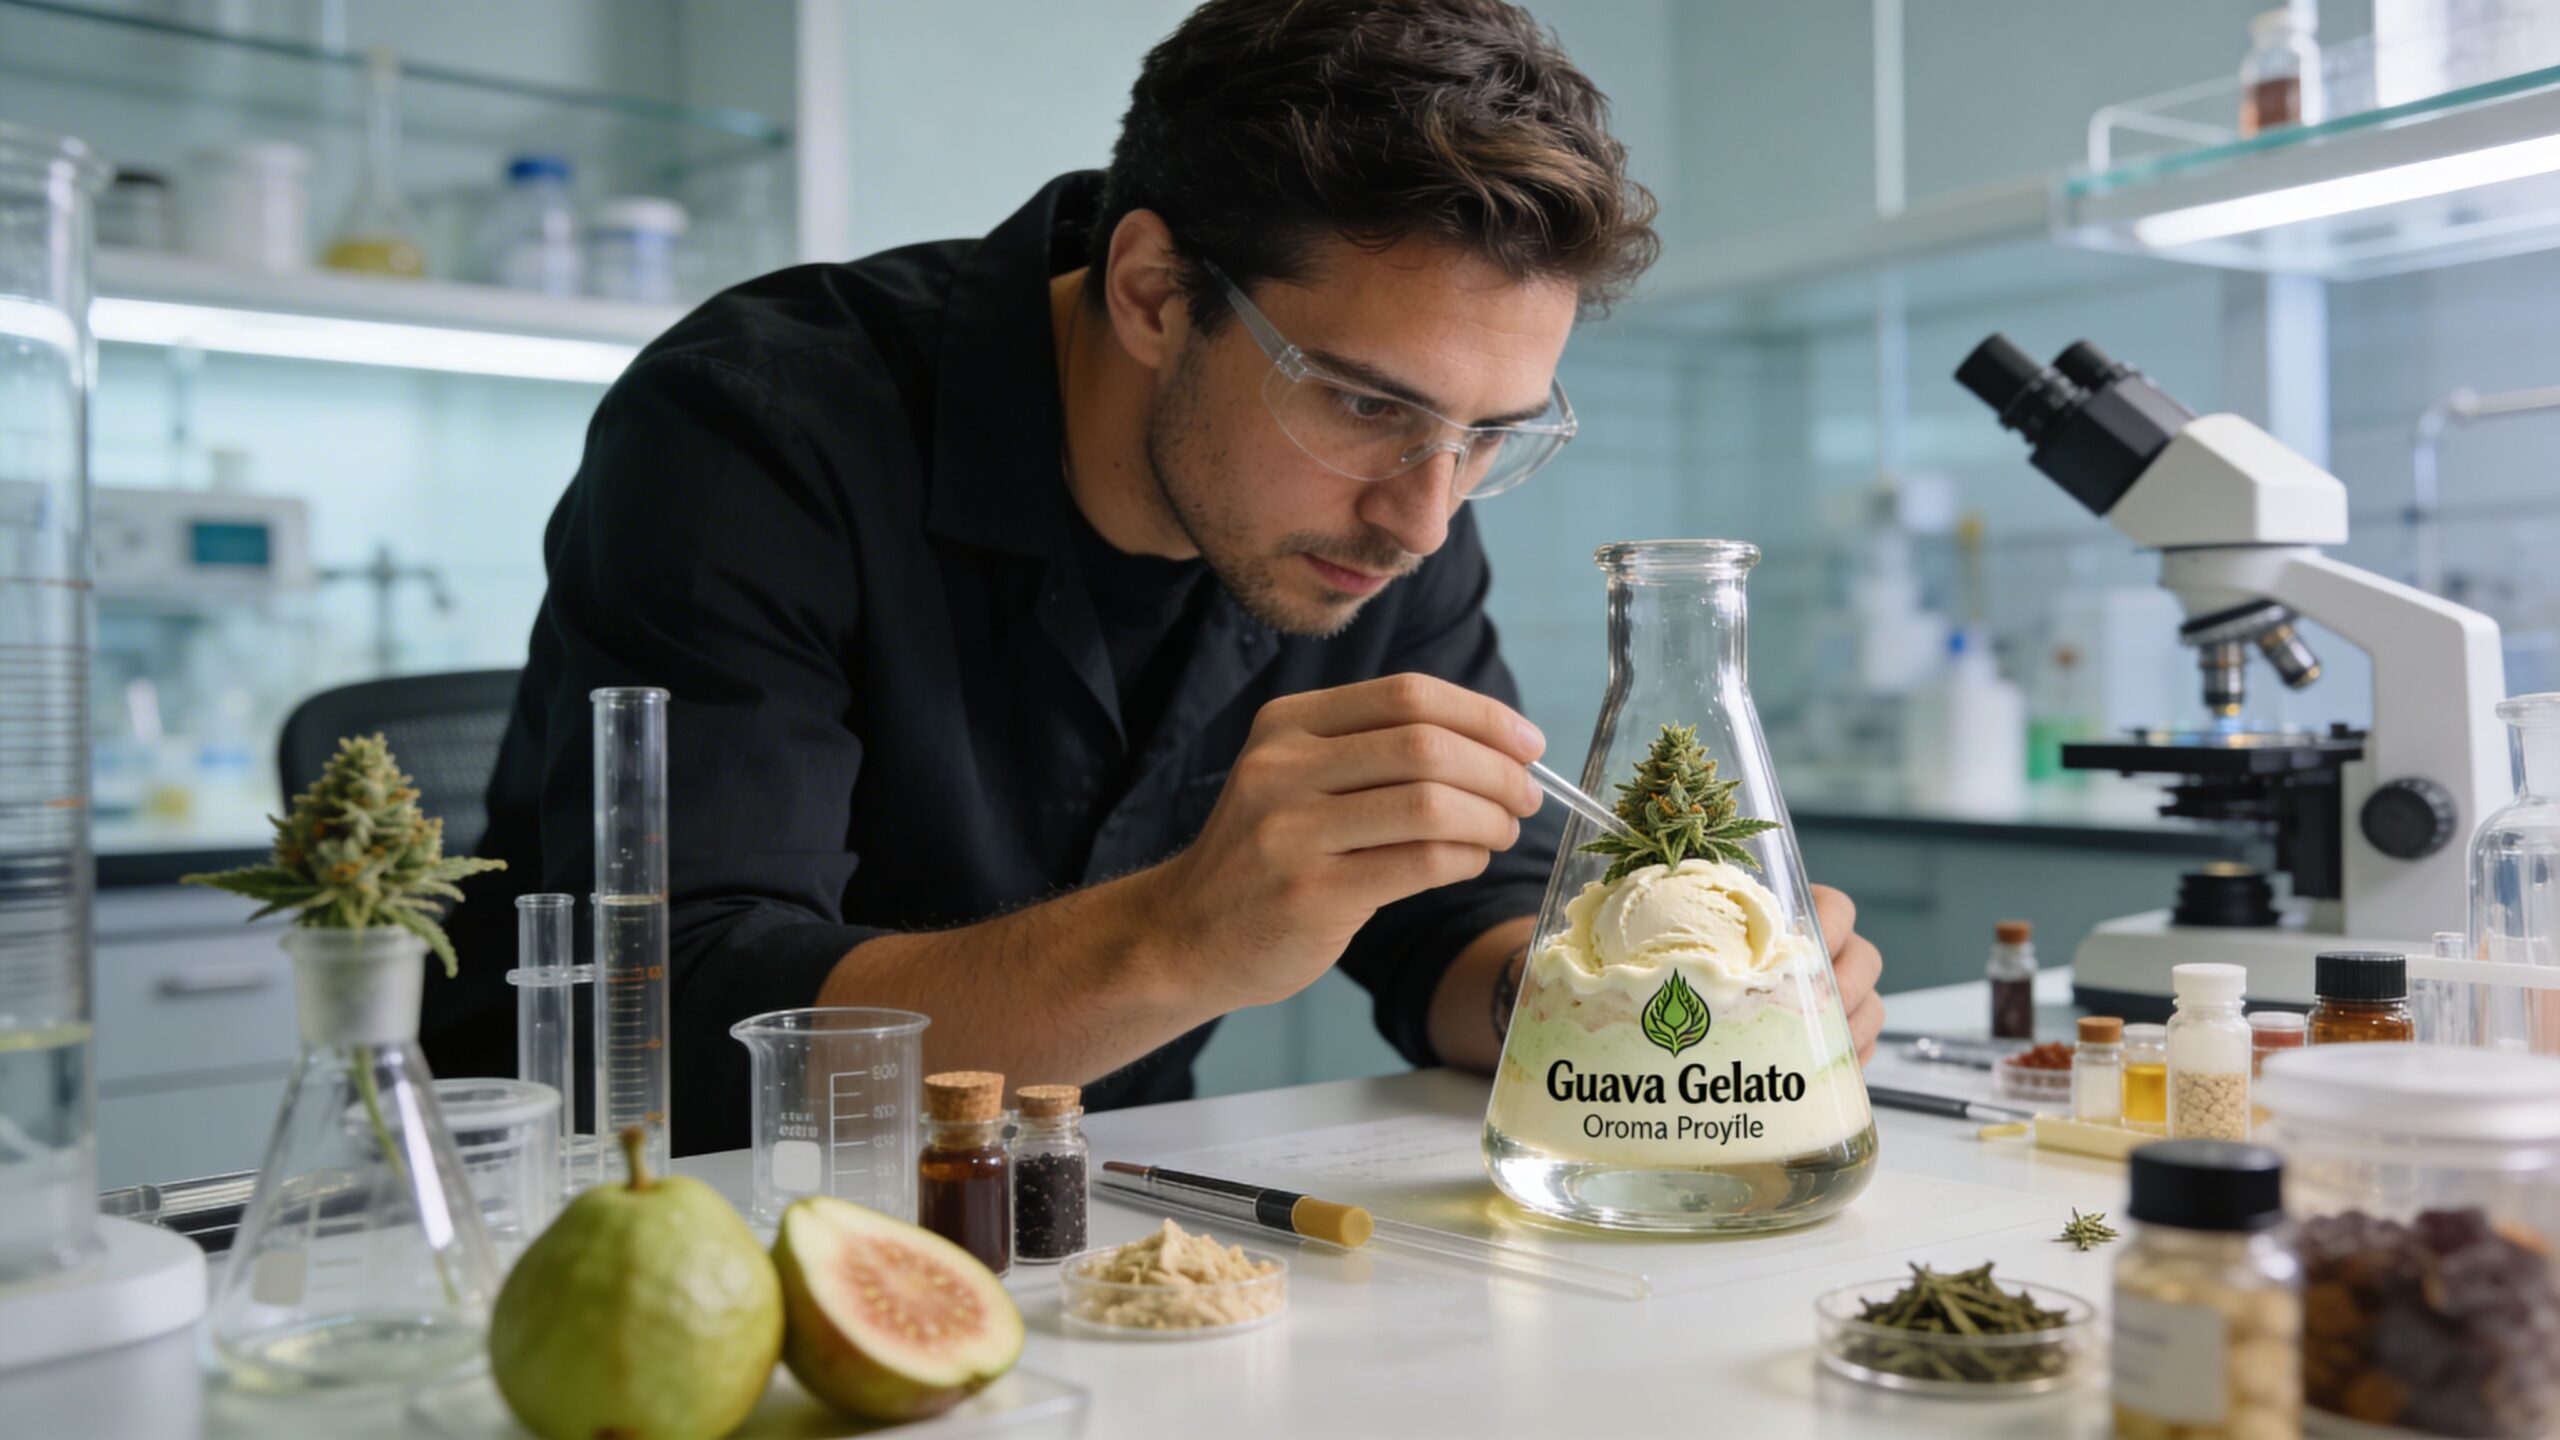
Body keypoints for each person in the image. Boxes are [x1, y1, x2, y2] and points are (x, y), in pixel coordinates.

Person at [437, 0, 1884, 1154]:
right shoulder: (761, 427)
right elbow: (689, 1020)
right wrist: (1181, 936)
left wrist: (1604, 1001)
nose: (1425, 518)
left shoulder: (1393, 502)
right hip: (652, 1225)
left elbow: (1455, 918)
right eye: (1365, 402)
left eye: (1493, 435)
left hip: (1097, 1224)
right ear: (1151, 291)